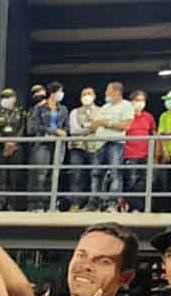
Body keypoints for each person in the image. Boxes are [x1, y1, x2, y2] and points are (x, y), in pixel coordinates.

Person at [89, 82, 135, 212]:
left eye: (107, 90)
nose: (105, 93)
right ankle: (95, 203)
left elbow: (125, 125)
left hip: (115, 143)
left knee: (115, 173)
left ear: (116, 92)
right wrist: (100, 123)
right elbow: (93, 125)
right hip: (99, 143)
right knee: (96, 173)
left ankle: (112, 204)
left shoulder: (126, 105)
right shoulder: (104, 107)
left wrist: (105, 123)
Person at [27, 82, 68, 212]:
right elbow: (33, 127)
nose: (61, 94)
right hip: (42, 144)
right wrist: (53, 131)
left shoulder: (63, 109)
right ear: (53, 93)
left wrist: (63, 132)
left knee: (54, 175)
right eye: (60, 92)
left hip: (58, 145)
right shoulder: (39, 108)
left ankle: (50, 205)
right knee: (40, 175)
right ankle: (37, 205)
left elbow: (66, 127)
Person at [64, 87, 101, 212]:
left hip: (95, 147)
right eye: (84, 94)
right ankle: (75, 203)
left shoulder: (101, 111)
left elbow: (101, 128)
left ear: (94, 96)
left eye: (89, 94)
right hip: (77, 147)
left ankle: (94, 204)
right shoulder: (74, 112)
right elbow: (74, 130)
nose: (87, 96)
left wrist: (84, 128)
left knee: (95, 175)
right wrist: (90, 128)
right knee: (76, 175)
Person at [0, 87, 26, 211]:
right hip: (1, 149)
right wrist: (5, 142)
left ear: (14, 98)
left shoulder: (21, 113)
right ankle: (0, 203)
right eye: (3, 98)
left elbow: (23, 129)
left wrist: (14, 142)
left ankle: (12, 204)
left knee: (13, 177)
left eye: (8, 97)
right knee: (1, 177)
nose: (5, 100)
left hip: (17, 148)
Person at [118, 88, 152, 213]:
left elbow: (153, 132)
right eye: (137, 100)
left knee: (144, 183)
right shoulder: (126, 116)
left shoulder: (148, 117)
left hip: (145, 155)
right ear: (131, 101)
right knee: (131, 181)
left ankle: (141, 208)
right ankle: (130, 207)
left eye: (143, 100)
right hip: (129, 154)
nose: (140, 103)